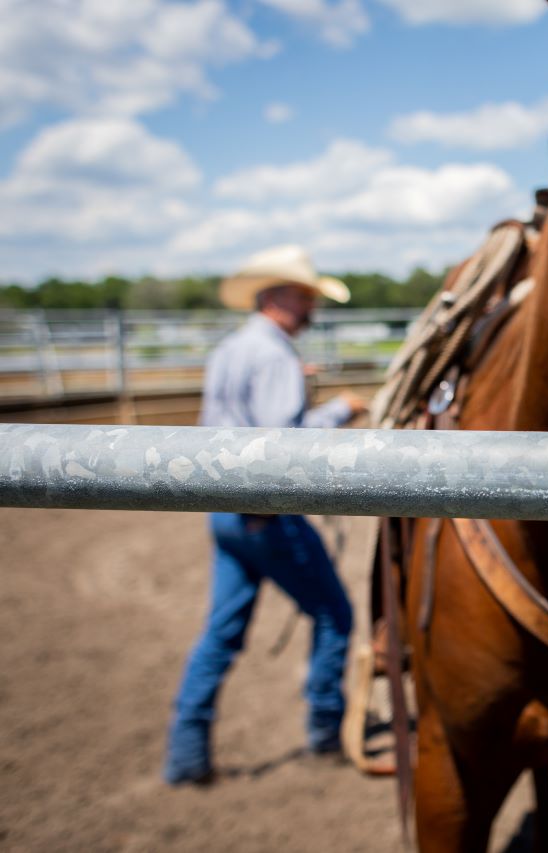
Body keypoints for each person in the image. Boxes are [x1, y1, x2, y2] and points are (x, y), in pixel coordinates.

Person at [163, 244, 367, 785]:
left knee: (221, 631)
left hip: (227, 511)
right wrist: (339, 410)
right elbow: (286, 447)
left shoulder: (234, 348)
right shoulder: (275, 356)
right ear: (278, 298)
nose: (310, 310)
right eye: (304, 299)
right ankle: (326, 729)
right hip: (266, 514)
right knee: (335, 615)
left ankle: (186, 752)